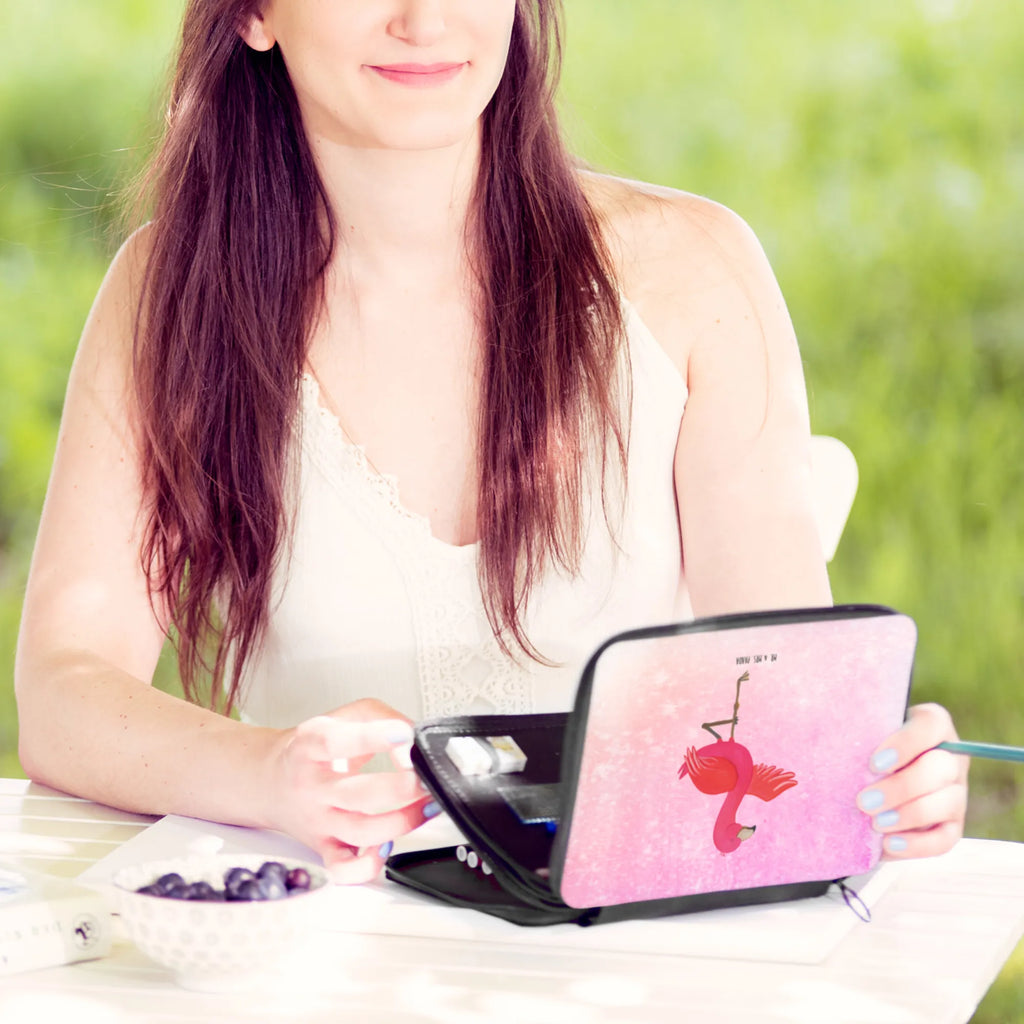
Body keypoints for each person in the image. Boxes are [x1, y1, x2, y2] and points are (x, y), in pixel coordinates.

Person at [14, 0, 967, 884]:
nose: (424, 20)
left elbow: (790, 701)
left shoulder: (692, 275)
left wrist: (884, 775)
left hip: (636, 934)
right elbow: (63, 696)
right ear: (256, 13)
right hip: (319, 939)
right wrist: (269, 771)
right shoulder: (175, 294)